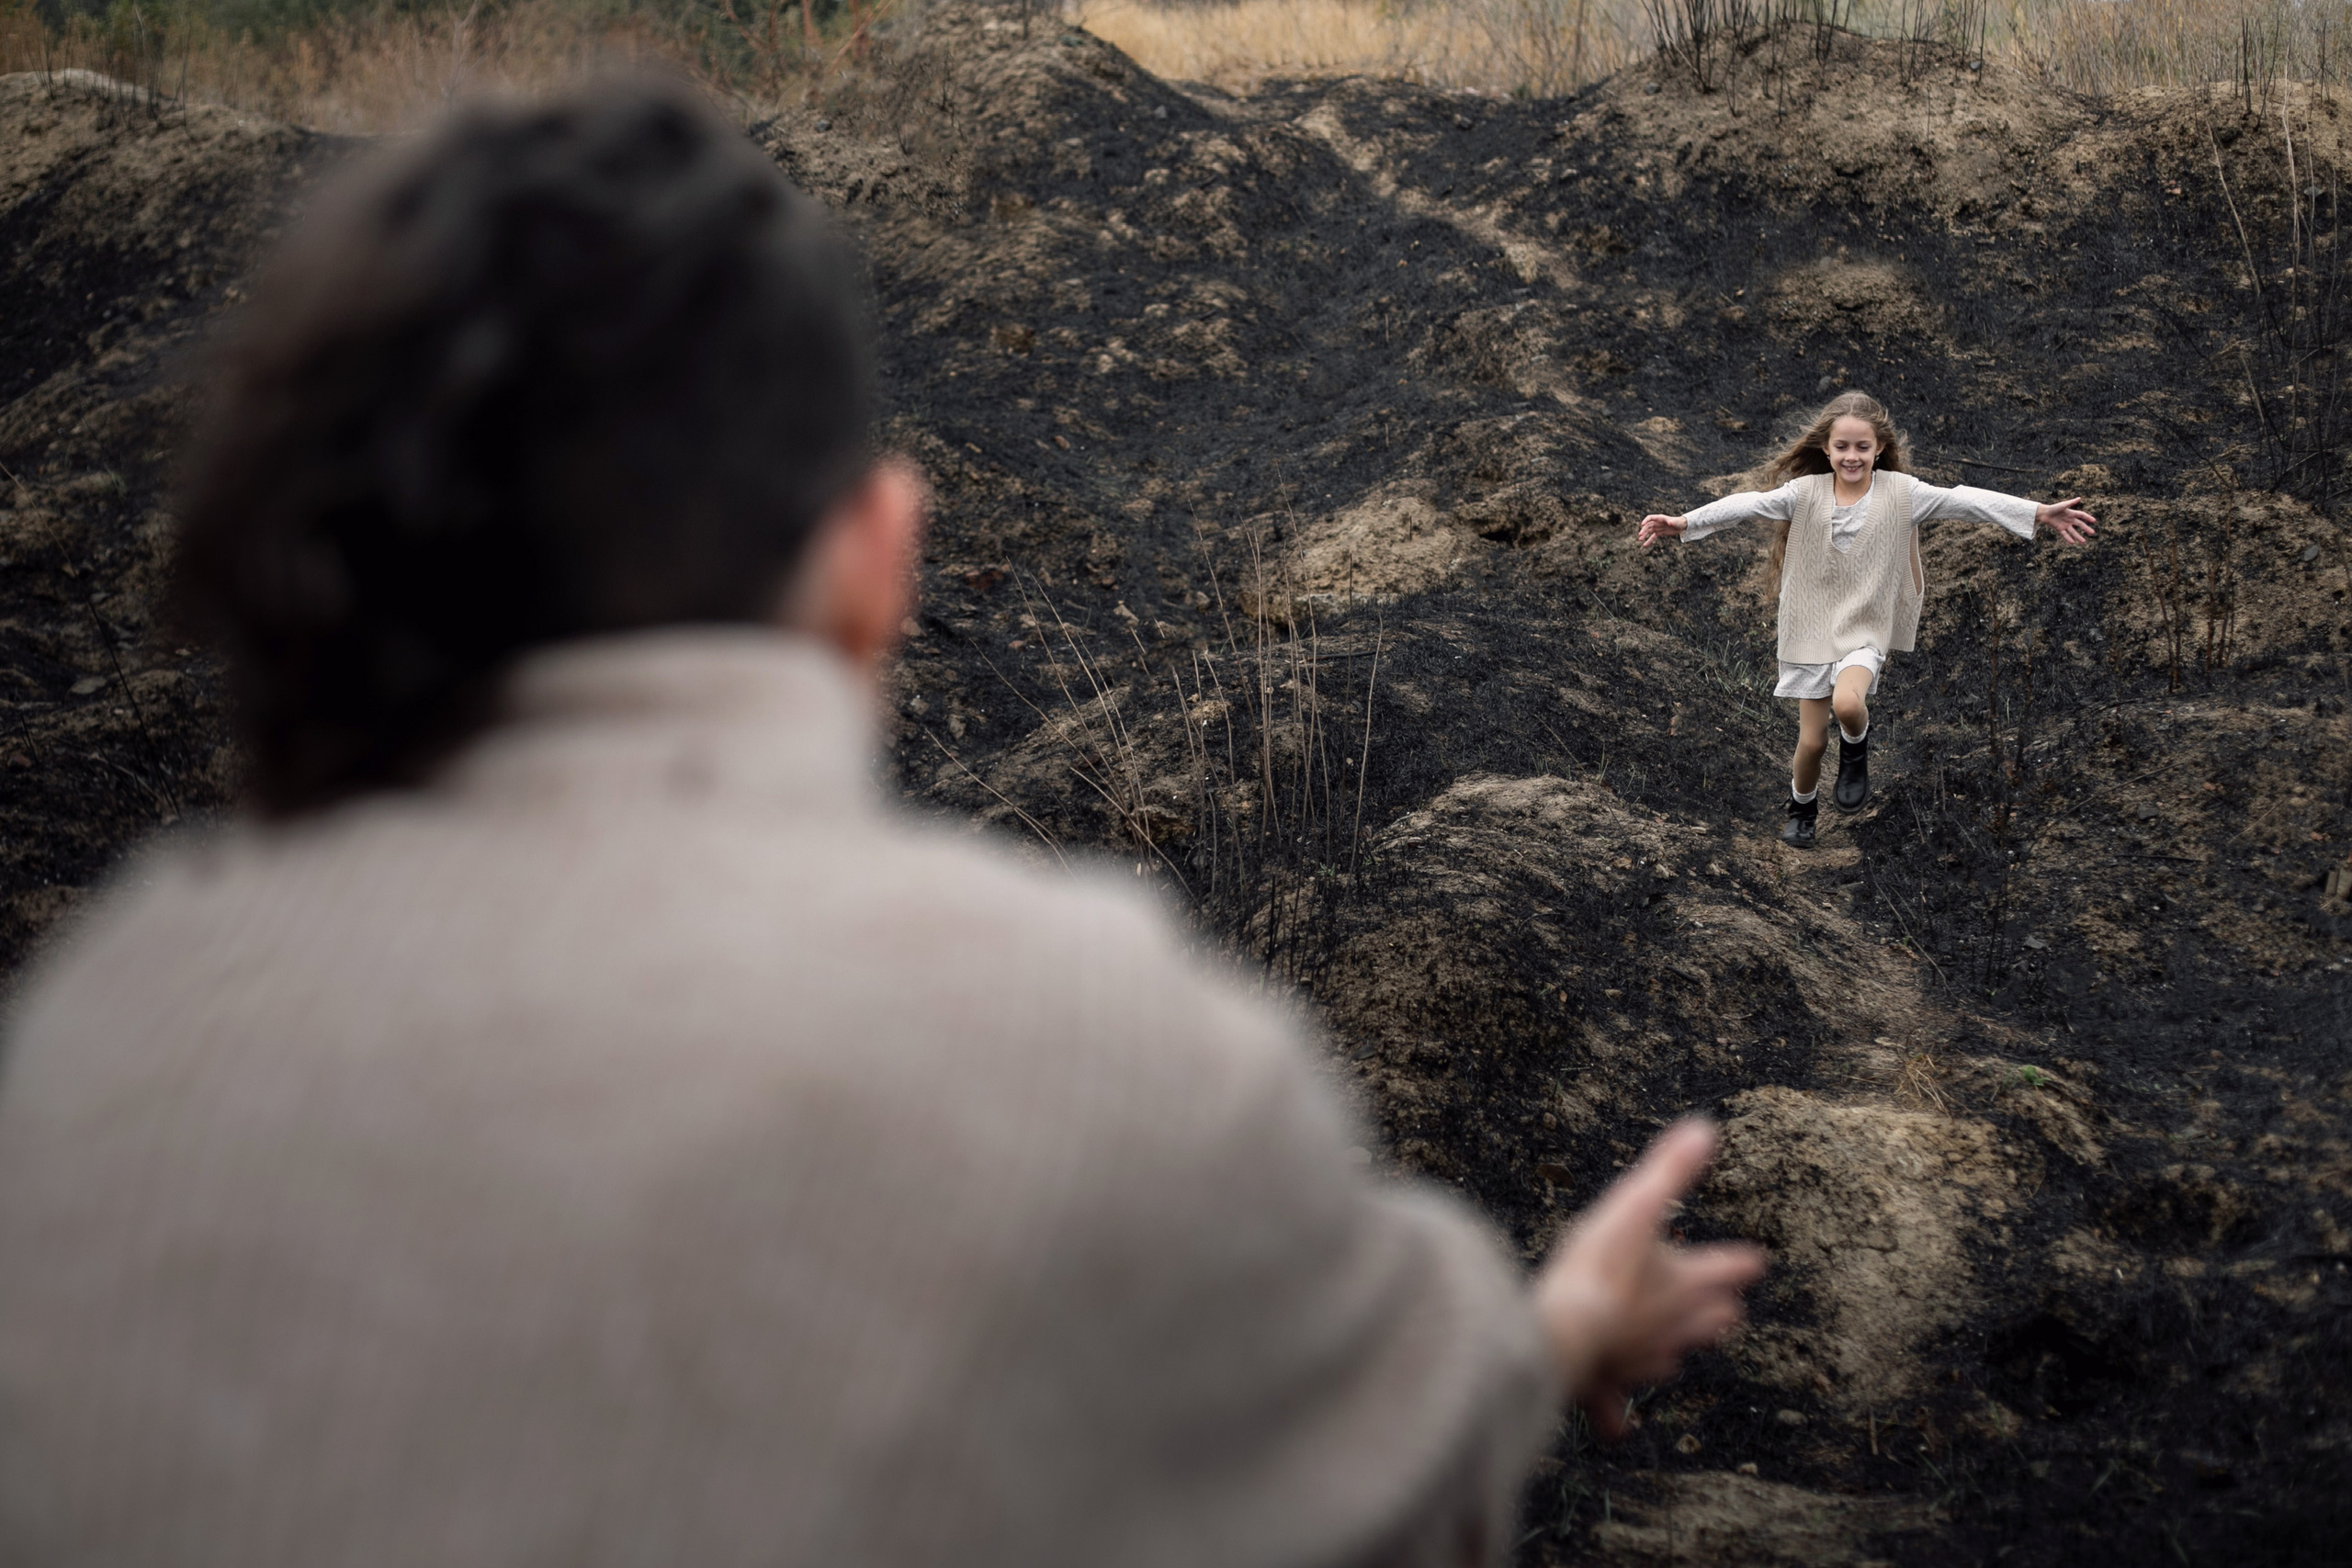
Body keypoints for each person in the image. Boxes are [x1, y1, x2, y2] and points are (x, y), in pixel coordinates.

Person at [0, 81, 1763, 1567]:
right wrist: (1547, 1339)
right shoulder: (1082, 1043)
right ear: (873, 554)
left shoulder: (82, 1051)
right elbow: (1377, 1468)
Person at [1636, 391, 2097, 848]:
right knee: (1812, 744)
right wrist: (1685, 523)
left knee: (1849, 705)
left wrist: (2036, 512)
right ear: (1826, 448)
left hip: (1864, 629)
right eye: (1842, 447)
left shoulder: (1904, 493)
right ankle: (1802, 807)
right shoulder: (1803, 494)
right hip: (1810, 630)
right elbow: (1749, 504)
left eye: (1862, 447)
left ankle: (1856, 747)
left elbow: (1964, 500)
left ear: (1880, 449)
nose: (1851, 456)